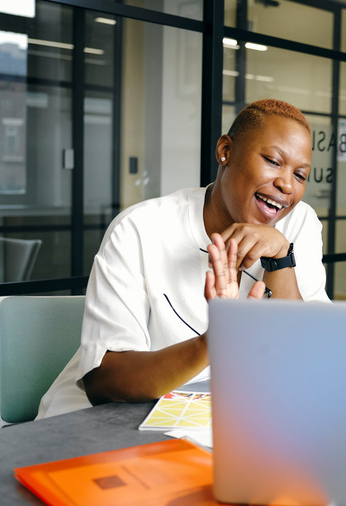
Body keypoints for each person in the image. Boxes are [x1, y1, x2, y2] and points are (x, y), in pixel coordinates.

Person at [37, 99, 329, 419]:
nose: (287, 184)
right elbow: (104, 382)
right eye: (273, 161)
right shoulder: (141, 229)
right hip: (103, 423)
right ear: (225, 151)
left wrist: (280, 258)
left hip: (216, 419)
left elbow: (308, 359)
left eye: (300, 175)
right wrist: (212, 343)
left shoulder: (298, 223)